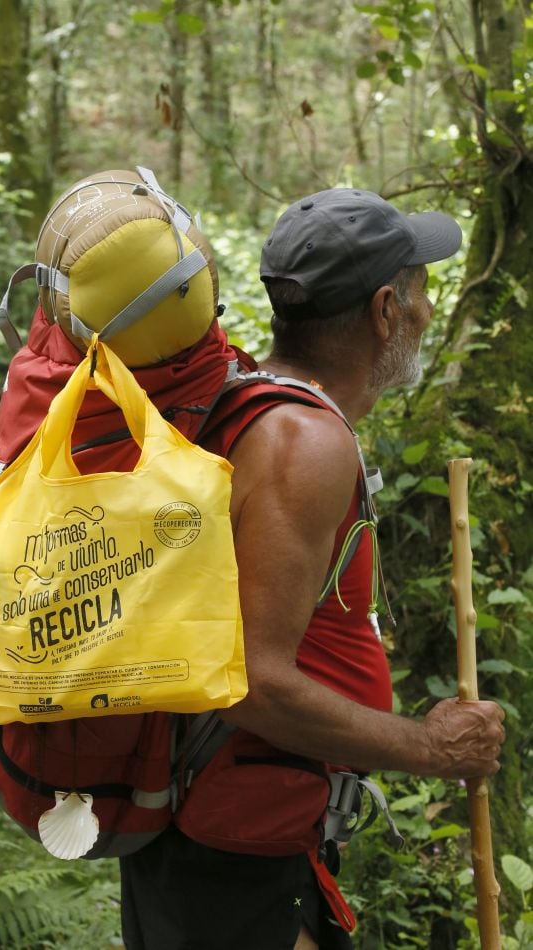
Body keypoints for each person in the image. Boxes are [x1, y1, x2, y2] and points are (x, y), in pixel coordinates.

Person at [119, 188, 506, 950]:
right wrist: (430, 748)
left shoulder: (248, 404)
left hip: (228, 841)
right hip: (226, 865)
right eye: (421, 291)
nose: (429, 311)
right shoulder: (304, 443)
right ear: (386, 309)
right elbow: (250, 681)